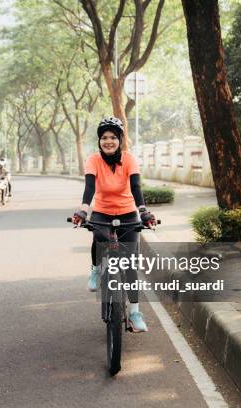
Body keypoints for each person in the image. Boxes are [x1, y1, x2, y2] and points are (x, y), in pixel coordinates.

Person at [71, 117, 156, 333]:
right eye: (104, 138)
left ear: (120, 139)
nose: (108, 141)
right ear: (99, 141)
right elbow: (90, 187)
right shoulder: (93, 160)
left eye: (112, 137)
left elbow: (136, 187)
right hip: (102, 211)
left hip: (128, 212)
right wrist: (83, 210)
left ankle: (135, 312)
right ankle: (96, 269)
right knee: (98, 238)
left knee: (130, 267)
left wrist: (143, 212)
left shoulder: (129, 159)